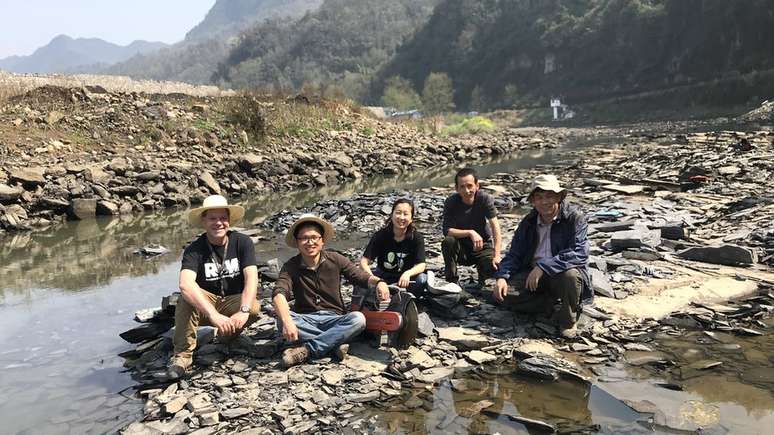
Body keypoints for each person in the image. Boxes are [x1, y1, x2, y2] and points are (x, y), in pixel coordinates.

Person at [272, 214, 390, 367]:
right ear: (297, 242)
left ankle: (308, 349)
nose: (310, 242)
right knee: (281, 320)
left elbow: (359, 276)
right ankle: (335, 342)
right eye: (304, 238)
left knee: (358, 319)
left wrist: (379, 282)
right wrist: (287, 321)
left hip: (334, 319)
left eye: (315, 237)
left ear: (322, 241)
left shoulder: (335, 259)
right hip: (307, 319)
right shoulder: (291, 266)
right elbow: (278, 293)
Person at [168, 195, 261, 379]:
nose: (218, 223)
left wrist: (243, 310)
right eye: (212, 218)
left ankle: (227, 337)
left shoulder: (242, 242)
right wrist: (213, 315)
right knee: (186, 297)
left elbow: (252, 277)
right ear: (204, 221)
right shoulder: (194, 249)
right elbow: (185, 284)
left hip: (232, 301)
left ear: (229, 220)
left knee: (253, 308)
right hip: (205, 306)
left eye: (223, 218)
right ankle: (183, 355)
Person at [493, 175, 592, 338]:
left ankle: (568, 321)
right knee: (501, 295)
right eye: (539, 197)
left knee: (571, 276)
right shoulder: (529, 221)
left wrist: (543, 267)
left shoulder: (574, 218)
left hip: (559, 273)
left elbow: (580, 252)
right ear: (533, 201)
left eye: (549, 196)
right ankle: (549, 302)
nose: (544, 202)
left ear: (559, 197)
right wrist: (502, 277)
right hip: (532, 273)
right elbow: (515, 254)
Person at [442, 167, 502, 288]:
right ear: (456, 188)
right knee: (448, 242)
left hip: (482, 246)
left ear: (477, 186)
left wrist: (497, 255)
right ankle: (451, 281)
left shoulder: (484, 199)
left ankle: (482, 274)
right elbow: (447, 231)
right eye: (462, 187)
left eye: (470, 186)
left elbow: (495, 227)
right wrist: (470, 232)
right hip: (462, 249)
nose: (466, 190)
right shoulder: (451, 202)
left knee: (495, 269)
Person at [360, 198, 427, 297]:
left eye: (406, 214)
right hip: (383, 275)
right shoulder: (381, 236)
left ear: (411, 218)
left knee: (422, 280)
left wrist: (408, 274)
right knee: (360, 279)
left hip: (405, 279)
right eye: (398, 213)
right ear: (392, 215)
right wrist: (374, 280)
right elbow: (364, 262)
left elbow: (421, 265)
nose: (401, 217)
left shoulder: (416, 238)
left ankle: (408, 302)